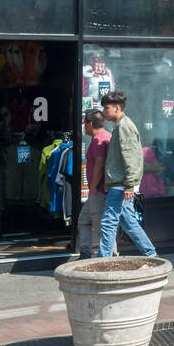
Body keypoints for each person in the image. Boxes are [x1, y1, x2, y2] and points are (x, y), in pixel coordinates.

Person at [98, 91, 157, 257]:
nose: (104, 112)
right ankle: (150, 253)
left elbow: (131, 157)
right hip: (122, 183)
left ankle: (103, 259)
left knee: (109, 222)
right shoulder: (121, 126)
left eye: (106, 108)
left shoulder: (124, 126)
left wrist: (130, 184)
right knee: (128, 222)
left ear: (117, 108)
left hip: (121, 184)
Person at [77, 108, 114, 259]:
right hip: (102, 190)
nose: (84, 126)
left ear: (90, 124)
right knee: (84, 220)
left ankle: (109, 258)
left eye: (85, 123)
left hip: (98, 191)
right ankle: (86, 252)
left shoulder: (99, 139)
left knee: (102, 227)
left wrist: (92, 186)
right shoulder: (107, 136)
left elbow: (99, 163)